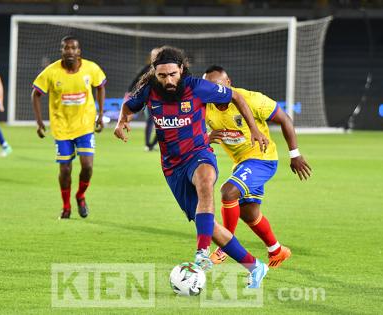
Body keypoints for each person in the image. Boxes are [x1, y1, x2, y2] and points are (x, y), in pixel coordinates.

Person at [114, 46, 270, 288]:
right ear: (155, 74)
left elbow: (236, 97)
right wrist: (121, 122)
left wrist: (256, 130)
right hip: (172, 167)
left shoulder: (197, 87)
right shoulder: (149, 91)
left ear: (181, 70)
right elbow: (129, 105)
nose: (168, 80)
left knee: (206, 184)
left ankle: (202, 252)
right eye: (163, 75)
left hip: (199, 154)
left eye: (173, 74)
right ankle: (254, 266)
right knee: (208, 225)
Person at [203, 65, 312, 268]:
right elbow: (194, 136)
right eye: (208, 87)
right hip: (242, 164)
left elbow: (284, 119)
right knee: (248, 212)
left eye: (218, 86)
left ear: (228, 83)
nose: (214, 92)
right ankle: (277, 250)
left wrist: (294, 154)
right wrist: (206, 138)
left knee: (228, 192)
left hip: (263, 159)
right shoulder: (205, 106)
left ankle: (225, 246)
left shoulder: (252, 99)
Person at [31, 35, 106, 219]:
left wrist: (101, 114)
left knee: (87, 166)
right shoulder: (51, 72)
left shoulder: (91, 68)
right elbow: (36, 94)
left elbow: (101, 86)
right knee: (65, 169)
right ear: (62, 50)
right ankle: (66, 207)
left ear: (79, 51)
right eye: (66, 48)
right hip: (62, 128)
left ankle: (80, 196)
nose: (70, 51)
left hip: (85, 126)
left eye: (73, 48)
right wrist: (39, 122)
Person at [126, 48, 160, 151]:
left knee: (162, 123)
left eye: (156, 55)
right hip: (150, 99)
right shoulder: (147, 69)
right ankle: (147, 144)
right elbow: (136, 79)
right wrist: (129, 92)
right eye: (153, 55)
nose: (154, 57)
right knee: (150, 120)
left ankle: (153, 144)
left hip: (163, 100)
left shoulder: (165, 68)